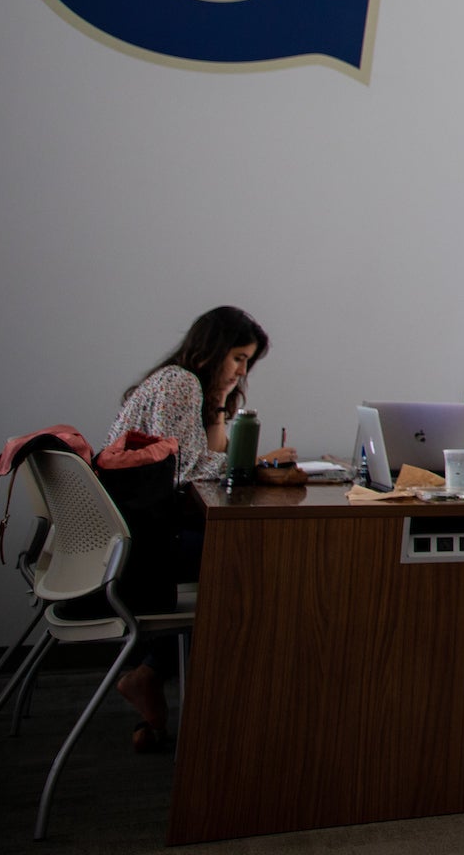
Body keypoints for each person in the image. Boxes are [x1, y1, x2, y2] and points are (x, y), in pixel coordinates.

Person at [108, 306, 294, 751]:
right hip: (142, 541)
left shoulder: (191, 386)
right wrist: (261, 462)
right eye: (237, 358)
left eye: (247, 362)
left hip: (138, 533)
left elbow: (205, 457)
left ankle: (153, 676)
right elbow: (189, 469)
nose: (242, 370)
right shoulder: (179, 382)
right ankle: (223, 712)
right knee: (244, 564)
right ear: (212, 350)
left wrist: (218, 406)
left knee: (236, 559)